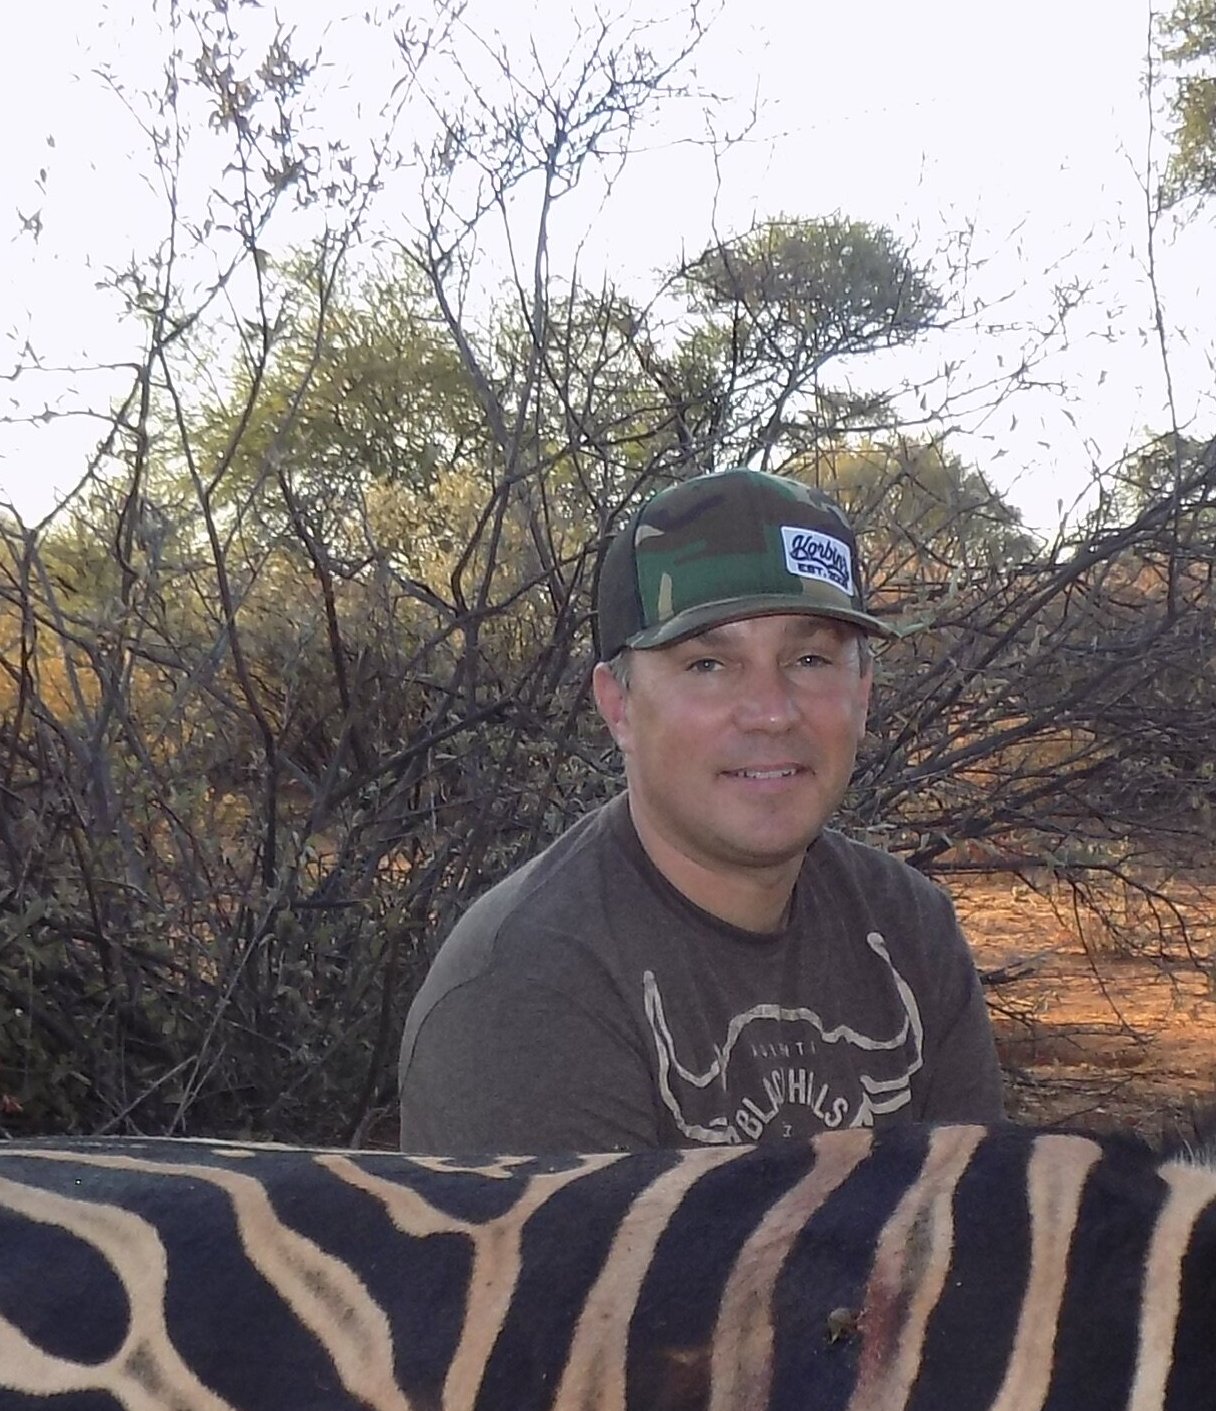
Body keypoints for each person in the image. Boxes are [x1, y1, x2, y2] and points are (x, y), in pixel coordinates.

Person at [399, 467, 1004, 1156]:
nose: (773, 711)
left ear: (862, 692)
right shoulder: (524, 994)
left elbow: (981, 1236)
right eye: (709, 666)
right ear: (618, 704)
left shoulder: (908, 929)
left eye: (809, 658)